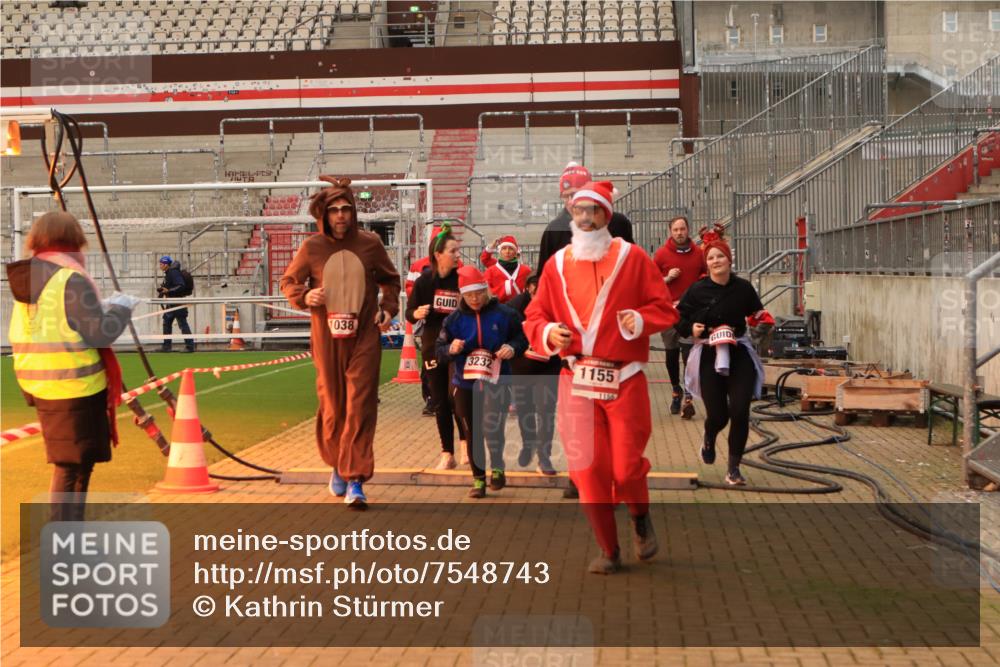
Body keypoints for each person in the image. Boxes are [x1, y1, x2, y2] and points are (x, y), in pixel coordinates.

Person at [524, 181, 678, 574]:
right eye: (580, 211)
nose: (587, 219)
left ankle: (639, 516)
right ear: (571, 215)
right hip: (575, 378)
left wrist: (641, 320)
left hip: (624, 378)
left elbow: (665, 308)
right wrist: (547, 334)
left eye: (594, 211)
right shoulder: (557, 264)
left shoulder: (634, 257)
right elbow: (535, 315)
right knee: (587, 470)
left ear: (606, 216)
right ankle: (609, 549)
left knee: (626, 467)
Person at [6, 211, 140, 521]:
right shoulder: (69, 277)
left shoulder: (30, 279)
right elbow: (98, 332)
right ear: (73, 239)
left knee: (74, 464)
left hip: (40, 383)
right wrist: (121, 309)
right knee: (73, 468)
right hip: (76, 384)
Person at [280, 176, 401, 510]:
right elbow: (289, 280)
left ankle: (356, 478)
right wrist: (306, 295)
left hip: (364, 335)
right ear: (324, 214)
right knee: (333, 405)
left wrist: (387, 309)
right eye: (334, 210)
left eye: (346, 209)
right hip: (327, 336)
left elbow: (391, 280)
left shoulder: (370, 243)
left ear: (354, 212)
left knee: (360, 403)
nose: (341, 216)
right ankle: (337, 462)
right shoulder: (312, 248)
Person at [676, 226, 766, 487]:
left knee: (739, 411)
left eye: (720, 257)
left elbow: (758, 316)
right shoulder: (697, 290)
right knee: (719, 415)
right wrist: (690, 328)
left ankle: (734, 468)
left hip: (738, 352)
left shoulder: (744, 288)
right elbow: (678, 318)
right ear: (707, 263)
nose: (716, 261)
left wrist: (761, 327)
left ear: (729, 260)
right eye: (711, 258)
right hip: (708, 353)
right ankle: (709, 435)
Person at [437, 265, 527, 498]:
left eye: (479, 293)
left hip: (496, 380)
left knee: (493, 426)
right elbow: (438, 350)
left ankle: (497, 467)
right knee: (471, 430)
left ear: (486, 290)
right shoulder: (453, 320)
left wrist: (512, 347)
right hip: (465, 383)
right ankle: (478, 479)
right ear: (462, 296)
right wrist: (450, 349)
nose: (475, 299)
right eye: (469, 295)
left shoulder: (504, 314)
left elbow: (523, 337)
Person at [406, 224, 464, 470]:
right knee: (440, 400)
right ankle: (447, 453)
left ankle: (466, 446)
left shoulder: (461, 279)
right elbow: (409, 313)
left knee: (459, 399)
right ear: (438, 254)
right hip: (432, 345)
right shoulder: (423, 282)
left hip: (459, 345)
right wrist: (416, 312)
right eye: (453, 251)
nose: (458, 255)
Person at [507, 272, 561, 475]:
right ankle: (528, 444)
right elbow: (506, 331)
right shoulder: (515, 307)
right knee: (524, 410)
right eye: (538, 286)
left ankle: (544, 457)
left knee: (546, 410)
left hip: (549, 367)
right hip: (522, 367)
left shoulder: (557, 305)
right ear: (529, 287)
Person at [536, 162, 635, 272]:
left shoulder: (618, 223)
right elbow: (543, 278)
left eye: (574, 194)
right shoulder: (553, 231)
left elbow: (634, 268)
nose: (569, 201)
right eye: (565, 196)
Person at [652, 216, 704, 418]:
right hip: (669, 311)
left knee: (689, 353)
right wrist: (667, 278)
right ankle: (676, 389)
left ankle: (689, 395)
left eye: (682, 229)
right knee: (671, 354)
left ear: (688, 230)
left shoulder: (699, 254)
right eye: (676, 229)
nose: (679, 232)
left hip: (691, 312)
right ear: (670, 231)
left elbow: (705, 274)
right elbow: (651, 282)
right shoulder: (662, 254)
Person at [157, 255, 195, 353]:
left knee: (182, 323)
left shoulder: (173, 273)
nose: (160, 266)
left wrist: (168, 290)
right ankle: (167, 346)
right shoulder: (169, 273)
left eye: (161, 264)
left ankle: (189, 346)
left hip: (176, 302)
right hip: (172, 302)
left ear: (166, 264)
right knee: (167, 323)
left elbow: (181, 285)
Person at [479, 235, 532, 303]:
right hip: (499, 309)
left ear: (516, 252)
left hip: (521, 310)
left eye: (511, 248)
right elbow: (487, 294)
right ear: (500, 252)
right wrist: (505, 289)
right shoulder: (491, 271)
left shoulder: (526, 270)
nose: (507, 251)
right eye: (504, 248)